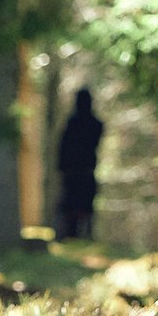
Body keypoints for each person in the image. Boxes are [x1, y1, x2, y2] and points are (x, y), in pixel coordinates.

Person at [56, 87, 104, 240]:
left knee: (79, 204)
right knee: (77, 204)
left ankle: (79, 235)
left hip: (79, 170)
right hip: (79, 170)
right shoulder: (91, 124)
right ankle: (77, 235)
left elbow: (63, 147)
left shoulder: (74, 123)